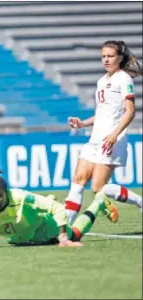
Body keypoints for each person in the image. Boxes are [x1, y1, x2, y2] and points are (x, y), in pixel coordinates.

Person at [65, 40, 143, 224]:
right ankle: (64, 229)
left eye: (110, 56)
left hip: (112, 139)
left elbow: (131, 111)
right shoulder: (101, 81)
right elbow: (101, 114)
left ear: (120, 58)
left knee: (98, 187)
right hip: (95, 139)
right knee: (78, 180)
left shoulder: (124, 78)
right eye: (103, 56)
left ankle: (140, 202)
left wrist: (114, 135)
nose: (106, 60)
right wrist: (83, 123)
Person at [0, 167, 119, 248]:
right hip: (21, 239)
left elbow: (56, 208)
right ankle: (47, 200)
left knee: (74, 235)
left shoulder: (20, 197)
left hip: (45, 227)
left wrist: (63, 236)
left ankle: (99, 201)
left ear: (6, 193)